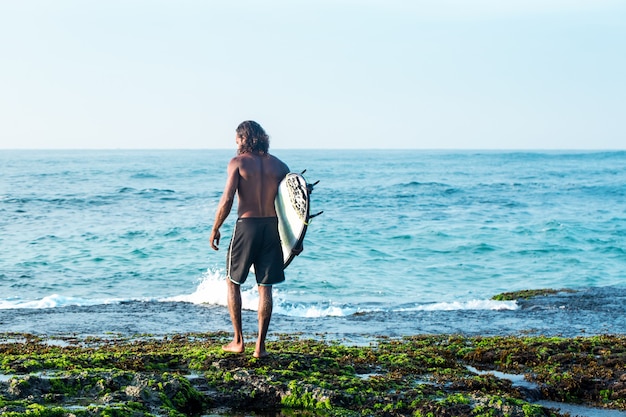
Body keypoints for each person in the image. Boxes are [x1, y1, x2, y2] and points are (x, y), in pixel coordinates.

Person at [209, 120, 290, 358]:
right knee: (266, 287)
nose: (236, 144)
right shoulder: (280, 165)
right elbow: (295, 204)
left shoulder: (238, 163)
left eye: (237, 139)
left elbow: (227, 200)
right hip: (271, 227)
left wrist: (215, 228)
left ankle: (238, 341)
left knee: (233, 282)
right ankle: (260, 348)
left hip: (247, 226)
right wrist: (295, 239)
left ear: (245, 138)